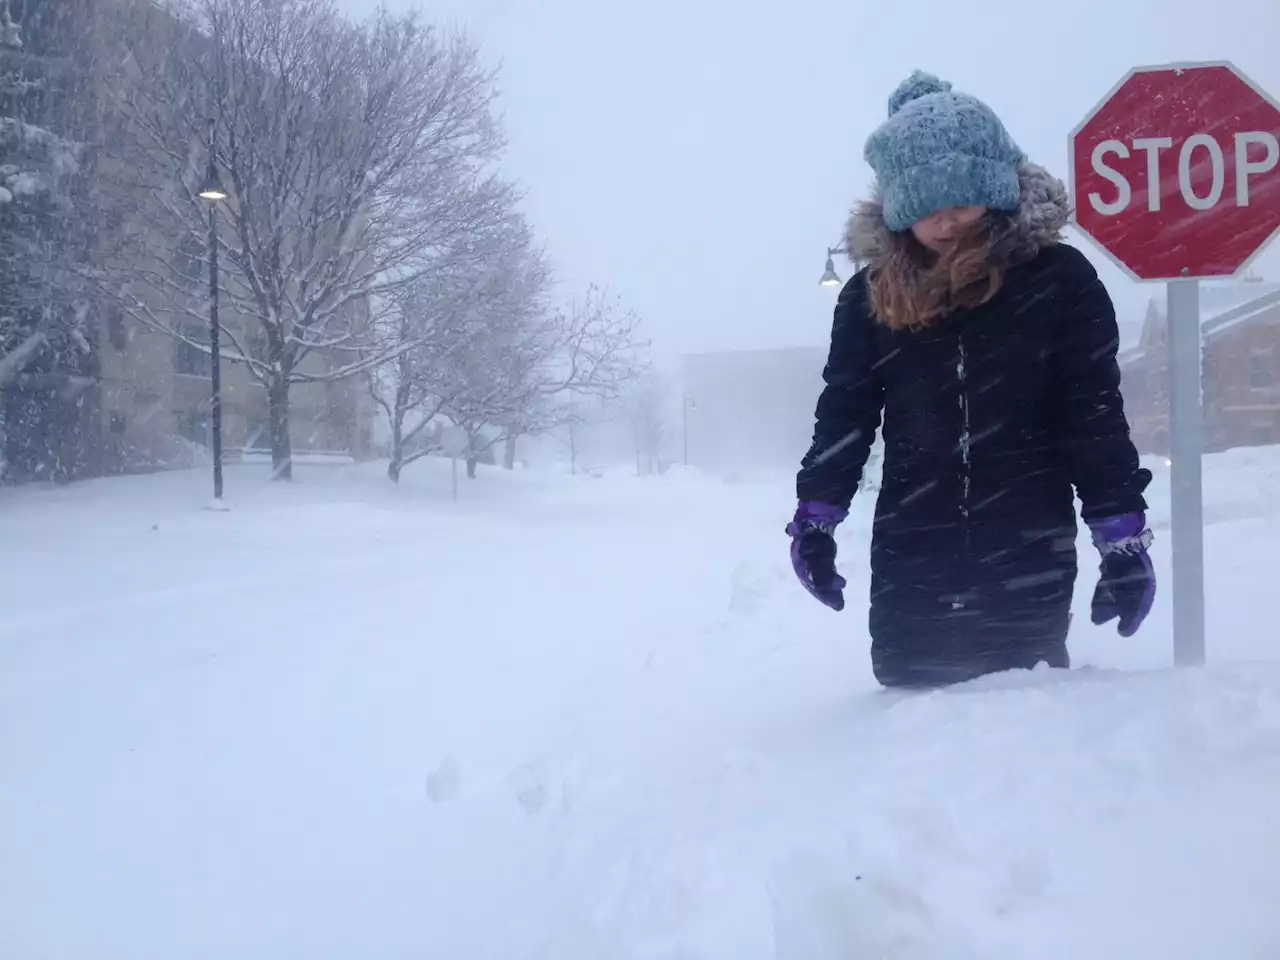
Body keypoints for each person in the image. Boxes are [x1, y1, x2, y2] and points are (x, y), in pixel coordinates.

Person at [787, 70, 1156, 688]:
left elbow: (1090, 413)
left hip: (1029, 542)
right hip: (914, 543)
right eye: (925, 204)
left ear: (994, 186)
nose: (947, 219)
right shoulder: (870, 296)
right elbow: (846, 411)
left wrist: (1119, 533)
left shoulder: (1058, 281)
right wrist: (816, 516)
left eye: (960, 196)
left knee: (1025, 712)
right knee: (910, 719)